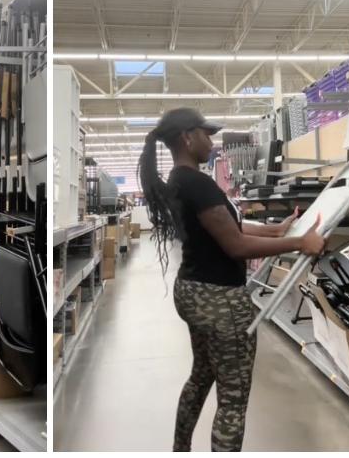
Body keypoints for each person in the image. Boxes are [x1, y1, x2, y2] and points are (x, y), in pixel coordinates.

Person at [137, 107, 325, 452]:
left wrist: (275, 230)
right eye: (206, 134)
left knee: (202, 374)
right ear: (187, 138)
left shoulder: (179, 181)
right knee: (233, 398)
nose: (212, 141)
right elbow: (235, 245)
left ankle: (180, 447)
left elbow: (223, 227)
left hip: (193, 292)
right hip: (220, 301)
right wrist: (301, 242)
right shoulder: (197, 182)